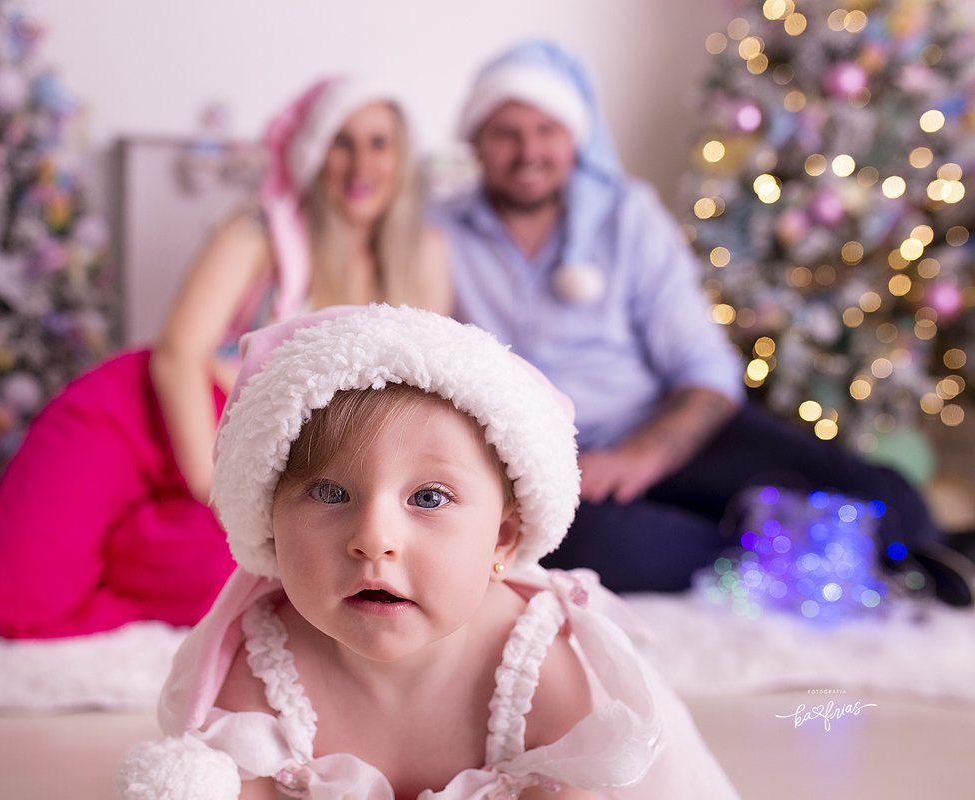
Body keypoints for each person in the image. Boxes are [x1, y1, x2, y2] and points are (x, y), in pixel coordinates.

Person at [0, 78, 451, 637]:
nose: (361, 165)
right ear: (311, 151)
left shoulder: (422, 257)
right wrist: (220, 488)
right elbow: (179, 355)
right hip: (152, 424)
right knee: (3, 601)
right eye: (342, 142)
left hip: (266, 460)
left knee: (243, 585)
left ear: (401, 156)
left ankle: (53, 556)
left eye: (378, 144)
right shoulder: (263, 228)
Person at [115, 304, 740, 800]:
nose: (374, 537)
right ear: (272, 527)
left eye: (431, 498)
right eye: (330, 491)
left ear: (503, 538)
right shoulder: (262, 668)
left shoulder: (534, 667)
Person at [431, 40, 971, 602]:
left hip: (662, 428)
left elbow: (703, 364)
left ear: (575, 135)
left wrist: (639, 456)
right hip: (550, 465)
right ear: (474, 140)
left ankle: (923, 552)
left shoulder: (626, 215)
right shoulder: (434, 234)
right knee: (587, 548)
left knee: (872, 494)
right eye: (506, 133)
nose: (528, 152)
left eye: (546, 130)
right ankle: (792, 556)